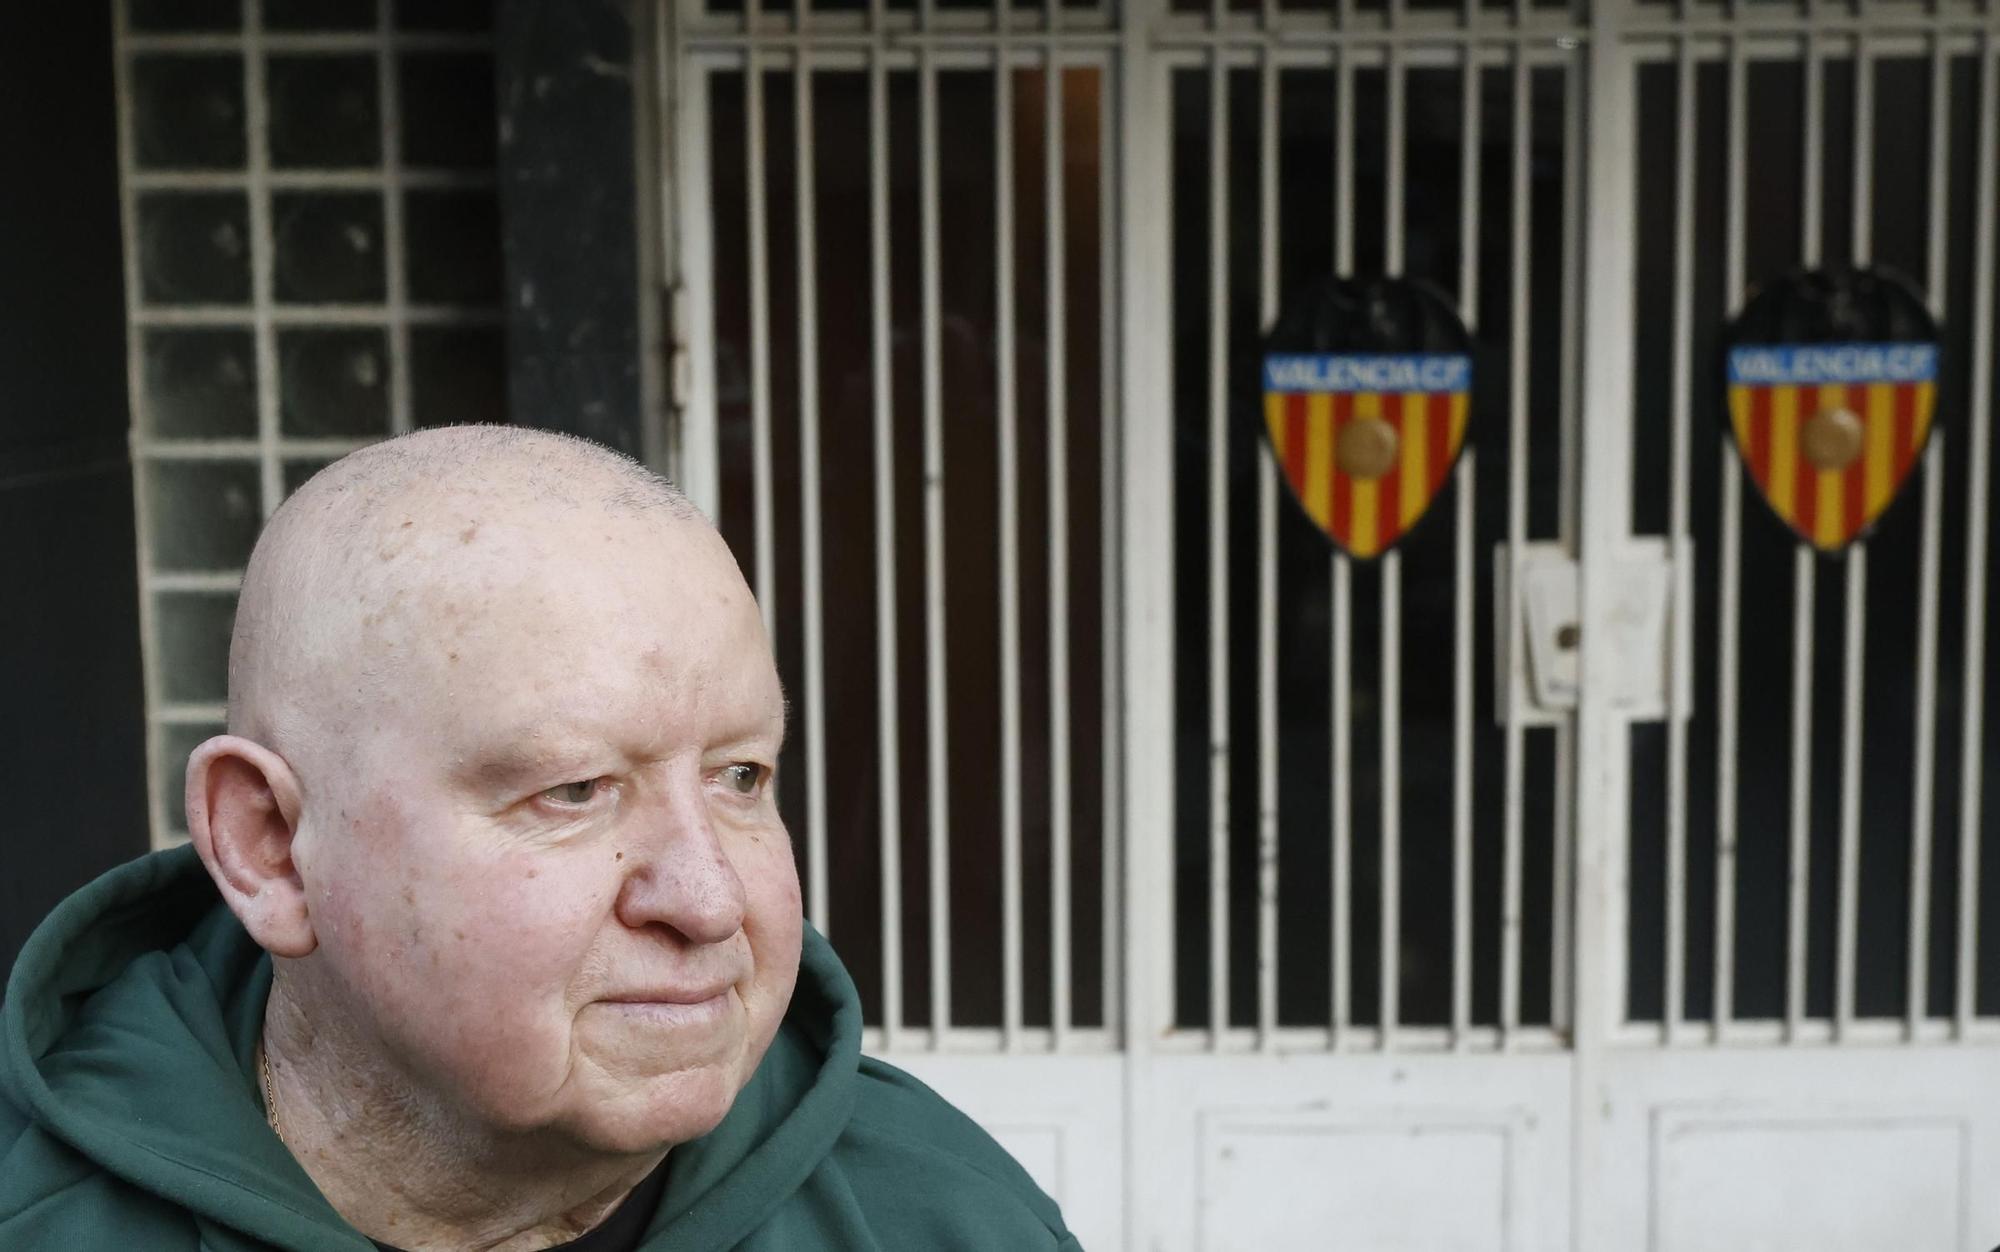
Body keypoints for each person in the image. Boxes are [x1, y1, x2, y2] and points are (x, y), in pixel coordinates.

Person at [0, 426, 1080, 1251]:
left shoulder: (938, 1215)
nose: (708, 900)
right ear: (273, 846)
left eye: (741, 775)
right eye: (574, 790)